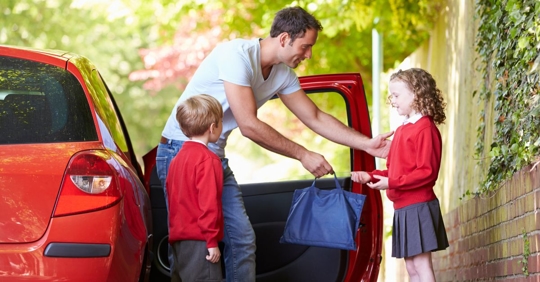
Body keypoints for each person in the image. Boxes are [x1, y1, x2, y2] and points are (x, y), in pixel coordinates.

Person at [157, 6, 393, 282]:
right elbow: (248, 125)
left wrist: (367, 144)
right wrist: (303, 154)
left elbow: (315, 117)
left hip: (214, 156)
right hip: (181, 151)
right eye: (305, 47)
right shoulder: (236, 56)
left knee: (242, 239)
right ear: (284, 39)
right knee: (191, 244)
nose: (308, 55)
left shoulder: (282, 75)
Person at [351, 68, 449, 282]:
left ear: (415, 94)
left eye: (396, 95)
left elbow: (427, 173)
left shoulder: (424, 128)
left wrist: (391, 182)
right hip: (403, 207)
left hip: (418, 206)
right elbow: (397, 170)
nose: (392, 100)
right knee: (412, 268)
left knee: (422, 266)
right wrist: (372, 175)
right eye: (391, 95)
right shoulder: (404, 129)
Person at [166, 94, 225, 282]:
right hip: (200, 241)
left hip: (178, 240)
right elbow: (209, 204)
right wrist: (211, 241)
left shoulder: (176, 161)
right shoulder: (208, 160)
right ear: (212, 127)